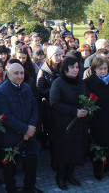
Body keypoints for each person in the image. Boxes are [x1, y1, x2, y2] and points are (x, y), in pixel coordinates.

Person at [0, 63, 40, 193]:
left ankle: (29, 188)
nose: (20, 76)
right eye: (16, 73)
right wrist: (25, 129)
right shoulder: (0, 92)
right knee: (9, 168)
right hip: (10, 137)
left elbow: (34, 108)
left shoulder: (26, 87)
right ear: (8, 74)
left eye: (22, 73)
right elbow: (5, 116)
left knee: (31, 164)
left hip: (29, 135)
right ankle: (11, 189)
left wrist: (31, 127)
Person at [49, 57, 87, 190]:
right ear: (65, 69)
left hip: (78, 124)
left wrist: (86, 108)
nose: (75, 70)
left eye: (77, 67)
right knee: (63, 152)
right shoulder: (58, 83)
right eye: (72, 67)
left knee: (75, 151)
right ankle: (60, 177)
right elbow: (54, 103)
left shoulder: (81, 83)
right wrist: (74, 111)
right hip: (63, 124)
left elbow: (85, 99)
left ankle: (70, 175)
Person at [36, 46, 62, 168]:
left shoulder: (62, 68)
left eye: (60, 55)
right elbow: (40, 90)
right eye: (56, 55)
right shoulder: (43, 71)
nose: (58, 57)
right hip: (49, 107)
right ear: (50, 57)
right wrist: (55, 89)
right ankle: (54, 161)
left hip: (61, 106)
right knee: (52, 135)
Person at [84, 56, 109, 180]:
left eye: (105, 68)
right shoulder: (89, 82)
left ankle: (107, 167)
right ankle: (98, 170)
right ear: (94, 69)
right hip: (97, 119)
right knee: (98, 145)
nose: (104, 71)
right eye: (100, 69)